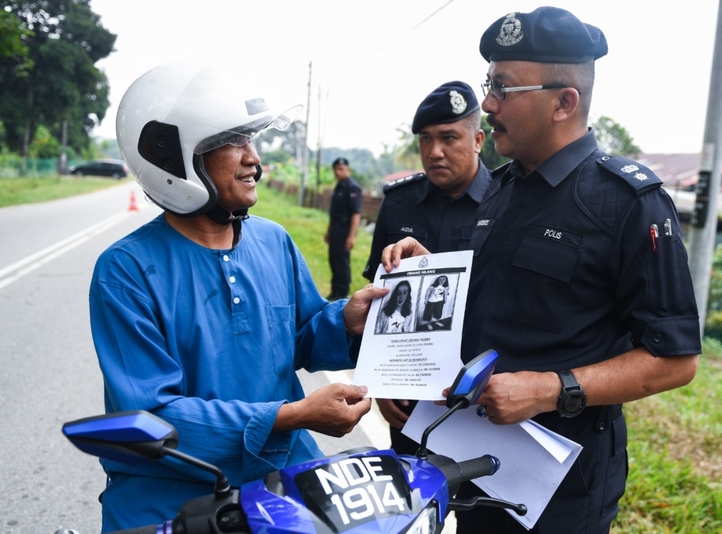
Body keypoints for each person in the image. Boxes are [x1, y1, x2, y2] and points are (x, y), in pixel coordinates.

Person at [381, 7, 701, 533]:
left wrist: (553, 387)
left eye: (504, 89)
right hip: (473, 463)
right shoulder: (501, 191)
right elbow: (496, 308)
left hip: (561, 491)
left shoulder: (627, 203)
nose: (487, 104)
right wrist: (428, 276)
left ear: (564, 102)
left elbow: (675, 360)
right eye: (490, 84)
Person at [90, 64, 387, 532]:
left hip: (280, 480)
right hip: (174, 501)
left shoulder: (274, 241)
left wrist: (346, 320)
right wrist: (289, 416)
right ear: (174, 159)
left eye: (252, 140)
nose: (254, 158)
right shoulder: (126, 270)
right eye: (233, 143)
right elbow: (153, 417)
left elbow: (301, 336)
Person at [363, 81, 491, 456]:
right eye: (424, 139)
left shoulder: (506, 203)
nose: (434, 152)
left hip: (480, 391)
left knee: (474, 508)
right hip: (410, 394)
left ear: (478, 139)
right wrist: (381, 382)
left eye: (449, 138)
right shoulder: (399, 203)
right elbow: (380, 301)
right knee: (411, 500)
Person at [325, 157, 361, 300]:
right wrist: (329, 231)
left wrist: (351, 236)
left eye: (341, 169)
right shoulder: (339, 186)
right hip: (335, 228)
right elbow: (333, 213)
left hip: (345, 229)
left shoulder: (352, 187)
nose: (337, 172)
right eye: (335, 170)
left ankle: (342, 292)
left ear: (348, 170)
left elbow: (356, 214)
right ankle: (335, 291)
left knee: (342, 262)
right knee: (333, 260)